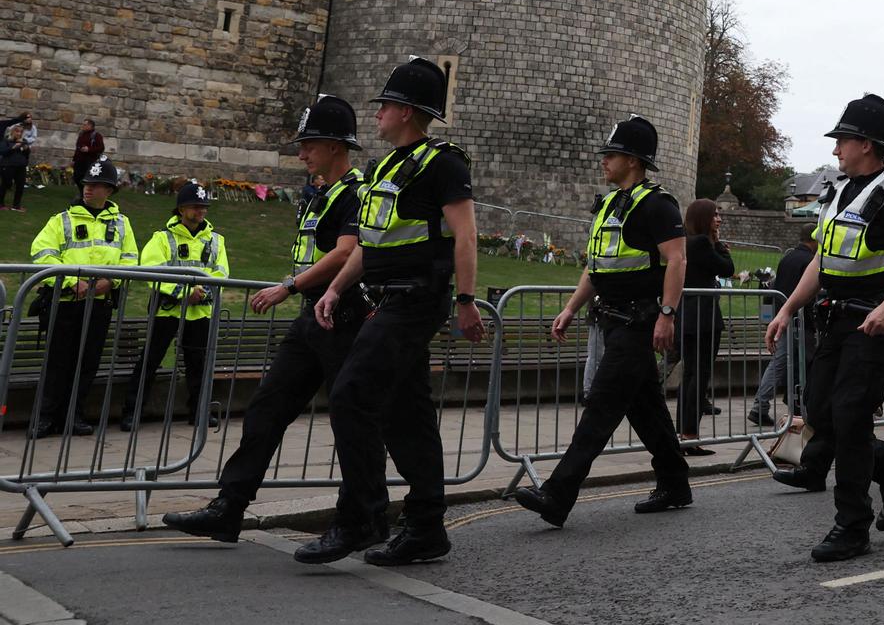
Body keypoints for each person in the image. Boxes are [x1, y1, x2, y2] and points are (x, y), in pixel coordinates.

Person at [298, 57, 484, 566]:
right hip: (386, 301)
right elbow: (370, 245)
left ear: (405, 110)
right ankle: (426, 527)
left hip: (417, 299)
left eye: (383, 105)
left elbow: (465, 235)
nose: (375, 113)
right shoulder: (383, 168)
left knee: (351, 395)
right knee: (408, 416)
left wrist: (466, 302)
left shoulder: (443, 163)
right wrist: (335, 289)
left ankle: (362, 517)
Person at [164, 97, 371, 542]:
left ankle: (360, 518)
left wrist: (288, 286)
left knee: (351, 421)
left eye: (309, 144)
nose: (301, 154)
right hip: (313, 315)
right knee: (266, 408)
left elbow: (346, 251)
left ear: (335, 145)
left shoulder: (357, 191)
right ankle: (229, 507)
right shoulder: (320, 192)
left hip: (344, 317)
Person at [764, 94, 884, 563]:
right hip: (835, 320)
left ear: (868, 144)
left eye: (843, 140)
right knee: (823, 415)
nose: (836, 149)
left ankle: (852, 524)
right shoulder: (835, 192)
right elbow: (821, 260)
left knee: (852, 417)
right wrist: (787, 309)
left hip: (874, 321)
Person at [516, 116, 692, 527]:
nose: (603, 162)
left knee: (601, 407)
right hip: (611, 320)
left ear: (632, 160)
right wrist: (571, 308)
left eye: (610, 155)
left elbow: (677, 260)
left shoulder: (658, 204)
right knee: (645, 408)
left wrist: (667, 314)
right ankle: (676, 482)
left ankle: (558, 494)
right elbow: (597, 267)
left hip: (638, 321)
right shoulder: (611, 203)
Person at [27, 157, 139, 438]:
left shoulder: (122, 224)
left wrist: (109, 281)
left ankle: (73, 416)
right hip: (65, 303)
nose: (88, 189)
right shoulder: (61, 220)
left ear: (110, 190)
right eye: (87, 184)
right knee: (58, 362)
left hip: (100, 304)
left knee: (87, 363)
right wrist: (71, 281)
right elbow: (42, 254)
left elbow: (131, 260)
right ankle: (44, 417)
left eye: (97, 185)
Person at [121, 180, 229, 429]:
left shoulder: (216, 240)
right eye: (194, 206)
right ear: (180, 209)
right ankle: (132, 412)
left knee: (198, 365)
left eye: (203, 206)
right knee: (150, 360)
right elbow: (152, 270)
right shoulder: (161, 239)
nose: (200, 211)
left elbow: (221, 272)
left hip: (200, 310)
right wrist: (183, 293)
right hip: (168, 309)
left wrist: (202, 293)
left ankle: (199, 412)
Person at [676, 197, 734, 454]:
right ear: (703, 219)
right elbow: (727, 269)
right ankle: (690, 434)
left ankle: (683, 433)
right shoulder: (700, 243)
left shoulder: (686, 241)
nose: (718, 220)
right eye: (714, 216)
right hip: (703, 317)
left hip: (687, 316)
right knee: (698, 377)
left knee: (690, 375)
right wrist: (720, 245)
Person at [749, 233, 818, 426]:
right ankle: (763, 406)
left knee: (785, 362)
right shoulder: (809, 261)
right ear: (813, 240)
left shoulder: (787, 258)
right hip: (800, 320)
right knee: (790, 363)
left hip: (784, 317)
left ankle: (768, 405)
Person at [0, 117, 28, 212]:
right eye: (17, 131)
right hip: (8, 166)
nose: (19, 134)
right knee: (5, 185)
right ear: (12, 132)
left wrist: (26, 149)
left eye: (20, 132)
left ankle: (16, 205)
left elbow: (27, 154)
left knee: (20, 185)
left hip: (20, 166)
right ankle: (1, 204)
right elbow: (2, 151)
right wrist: (13, 148)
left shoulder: (23, 141)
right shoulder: (6, 141)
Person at [71, 119, 105, 190]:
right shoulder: (81, 134)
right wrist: (74, 160)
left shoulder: (97, 135)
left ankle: (85, 194)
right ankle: (82, 192)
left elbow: (101, 148)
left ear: (90, 126)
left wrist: (89, 149)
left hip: (90, 161)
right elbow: (77, 148)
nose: (83, 126)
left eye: (85, 125)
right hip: (79, 160)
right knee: (76, 178)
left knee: (87, 179)